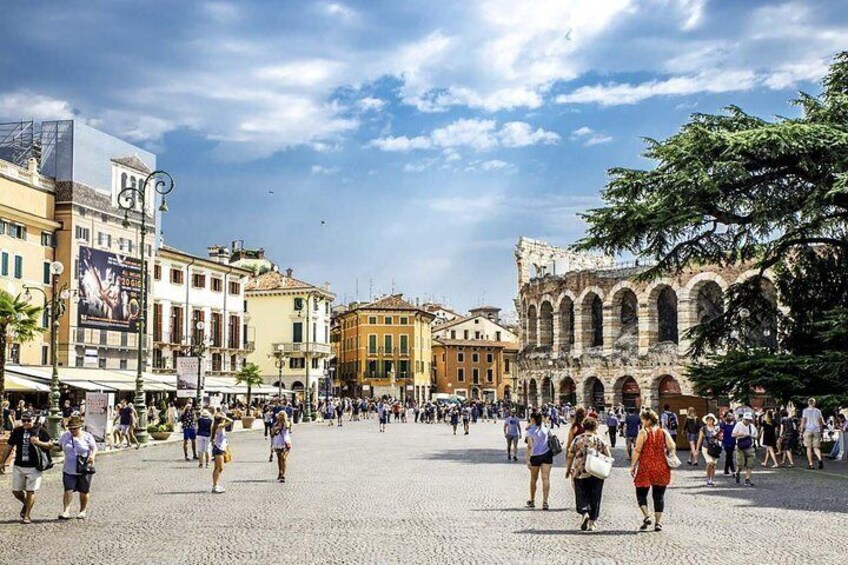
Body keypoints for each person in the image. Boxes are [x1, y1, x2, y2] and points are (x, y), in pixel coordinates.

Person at [0, 412, 53, 524]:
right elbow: (9, 446)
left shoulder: (40, 430)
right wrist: (2, 462)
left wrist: (38, 443)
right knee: (16, 491)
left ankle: (27, 516)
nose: (26, 423)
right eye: (24, 420)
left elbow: (50, 445)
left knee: (30, 491)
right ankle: (26, 503)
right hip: (19, 465)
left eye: (28, 420)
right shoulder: (17, 431)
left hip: (34, 466)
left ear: (33, 420)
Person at [631, 408, 675, 532]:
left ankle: (646, 515)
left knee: (641, 493)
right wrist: (668, 455)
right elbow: (672, 446)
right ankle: (658, 523)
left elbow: (637, 450)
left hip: (646, 467)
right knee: (659, 496)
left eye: (643, 419)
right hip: (661, 467)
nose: (642, 422)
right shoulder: (663, 432)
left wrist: (633, 465)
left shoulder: (643, 432)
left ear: (648, 420)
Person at [566, 417, 611, 531]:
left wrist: (568, 469)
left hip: (580, 471)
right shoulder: (600, 439)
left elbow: (570, 454)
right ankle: (592, 522)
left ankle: (584, 512)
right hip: (596, 472)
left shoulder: (577, 439)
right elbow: (608, 456)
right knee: (595, 496)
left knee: (581, 494)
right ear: (595, 427)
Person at [58, 415, 97, 520]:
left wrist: (92, 456)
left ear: (80, 427)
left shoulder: (87, 436)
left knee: (84, 491)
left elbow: (94, 448)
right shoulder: (65, 436)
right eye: (70, 428)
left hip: (84, 468)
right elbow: (58, 446)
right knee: (68, 489)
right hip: (69, 468)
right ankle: (66, 511)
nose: (72, 430)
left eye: (75, 428)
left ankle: (82, 510)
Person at [524, 412, 552, 510]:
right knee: (546, 478)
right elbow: (547, 422)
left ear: (532, 419)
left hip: (535, 456)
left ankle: (532, 500)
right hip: (547, 454)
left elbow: (529, 446)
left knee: (533, 479)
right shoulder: (545, 427)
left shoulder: (530, 431)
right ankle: (545, 502)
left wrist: (527, 460)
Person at [732, 412, 757, 487]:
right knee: (740, 464)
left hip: (750, 446)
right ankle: (737, 472)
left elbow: (756, 436)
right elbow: (733, 434)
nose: (747, 421)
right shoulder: (738, 425)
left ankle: (747, 479)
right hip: (740, 447)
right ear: (742, 419)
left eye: (748, 420)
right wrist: (741, 434)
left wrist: (751, 436)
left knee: (750, 463)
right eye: (746, 420)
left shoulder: (752, 426)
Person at [696, 413, 721, 486]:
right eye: (708, 419)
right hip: (706, 448)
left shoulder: (717, 428)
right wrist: (697, 449)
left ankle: (711, 480)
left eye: (711, 419)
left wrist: (718, 439)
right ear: (706, 421)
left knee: (713, 464)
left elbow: (720, 437)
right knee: (709, 462)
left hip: (715, 448)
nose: (709, 421)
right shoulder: (703, 429)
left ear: (713, 421)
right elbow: (700, 439)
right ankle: (708, 478)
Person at [800, 398, 825, 470]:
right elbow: (820, 421)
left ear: (808, 403)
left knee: (808, 448)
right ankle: (820, 459)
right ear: (814, 403)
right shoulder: (818, 411)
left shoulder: (805, 411)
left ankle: (811, 464)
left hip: (808, 430)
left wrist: (801, 430)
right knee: (816, 447)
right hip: (816, 430)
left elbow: (803, 421)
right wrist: (821, 430)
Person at [211, 413, 233, 493]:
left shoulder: (218, 426)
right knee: (220, 468)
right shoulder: (220, 426)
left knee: (217, 468)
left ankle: (215, 485)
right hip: (219, 449)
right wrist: (224, 416)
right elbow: (231, 421)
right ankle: (215, 485)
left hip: (220, 448)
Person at [271, 411, 292, 482]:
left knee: (283, 458)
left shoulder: (286, 423)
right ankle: (280, 472)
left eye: (282, 416)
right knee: (279, 458)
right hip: (278, 442)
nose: (281, 417)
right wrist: (275, 429)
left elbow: (288, 427)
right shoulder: (275, 424)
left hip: (286, 442)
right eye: (280, 415)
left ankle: (283, 474)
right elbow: (272, 433)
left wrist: (284, 423)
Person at [719, 411, 737, 475]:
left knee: (729, 455)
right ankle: (733, 470)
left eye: (731, 416)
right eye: (729, 416)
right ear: (726, 417)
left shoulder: (735, 424)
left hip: (733, 441)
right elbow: (720, 432)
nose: (730, 417)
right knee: (729, 455)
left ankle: (726, 470)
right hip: (725, 442)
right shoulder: (723, 424)